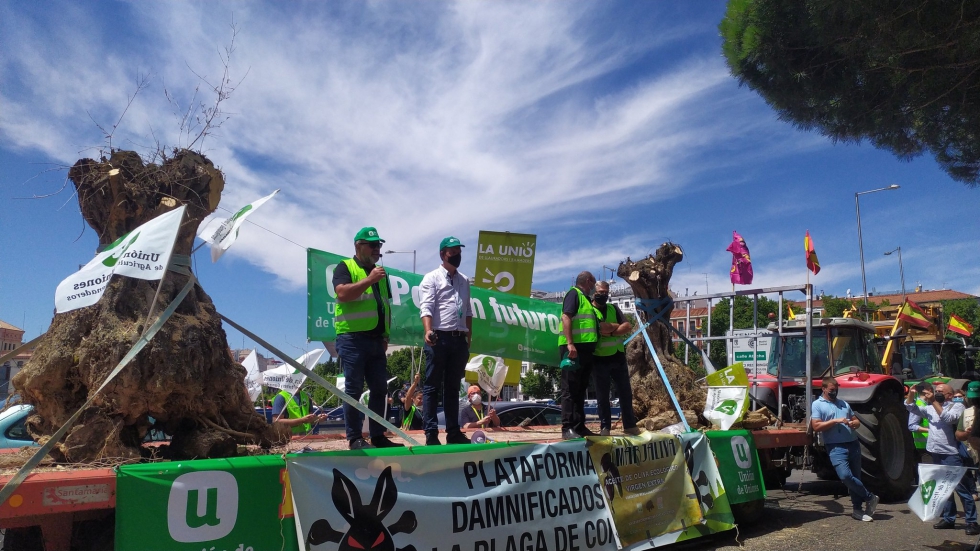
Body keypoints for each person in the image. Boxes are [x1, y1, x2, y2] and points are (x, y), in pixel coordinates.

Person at [333, 227, 403, 450]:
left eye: (379, 245)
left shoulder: (382, 274)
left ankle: (378, 435)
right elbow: (342, 294)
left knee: (380, 389)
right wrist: (369, 279)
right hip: (352, 338)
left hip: (376, 340)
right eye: (372, 245)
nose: (377, 249)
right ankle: (354, 438)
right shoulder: (346, 267)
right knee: (353, 389)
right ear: (358, 246)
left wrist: (386, 336)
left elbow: (385, 306)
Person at [418, 236, 473, 446]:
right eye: (453, 252)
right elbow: (426, 307)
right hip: (438, 337)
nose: (457, 256)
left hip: (458, 338)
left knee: (452, 387)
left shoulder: (464, 280)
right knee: (432, 386)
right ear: (443, 255)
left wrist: (469, 337)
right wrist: (428, 330)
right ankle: (431, 433)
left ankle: (453, 432)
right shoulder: (431, 278)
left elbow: (468, 310)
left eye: (459, 252)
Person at [906, 382, 978, 534]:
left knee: (961, 488)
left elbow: (947, 418)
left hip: (952, 453)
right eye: (935, 391)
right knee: (944, 489)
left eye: (940, 392)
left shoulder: (957, 407)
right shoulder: (930, 407)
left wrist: (933, 401)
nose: (936, 393)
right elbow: (912, 408)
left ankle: (971, 522)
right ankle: (949, 518)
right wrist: (912, 394)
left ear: (949, 395)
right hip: (935, 452)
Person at [811, 376, 879, 522]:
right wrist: (835, 421)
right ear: (823, 389)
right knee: (845, 476)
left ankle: (857, 510)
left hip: (853, 444)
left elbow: (856, 420)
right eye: (831, 391)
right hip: (836, 447)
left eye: (836, 390)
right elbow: (816, 426)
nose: (834, 393)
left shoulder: (843, 404)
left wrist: (855, 424)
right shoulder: (817, 405)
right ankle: (870, 497)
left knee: (856, 476)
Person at [591, 280, 641, 437]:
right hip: (599, 358)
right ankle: (605, 427)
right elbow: (598, 329)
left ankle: (630, 425)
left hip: (618, 356)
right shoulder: (589, 311)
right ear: (593, 293)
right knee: (602, 395)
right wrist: (614, 327)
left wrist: (611, 329)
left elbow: (626, 326)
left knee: (625, 392)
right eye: (600, 293)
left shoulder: (613, 308)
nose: (603, 296)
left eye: (606, 293)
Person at [558, 271, 601, 440]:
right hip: (573, 349)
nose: (594, 288)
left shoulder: (587, 301)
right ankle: (567, 427)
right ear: (588, 281)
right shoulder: (573, 294)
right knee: (569, 389)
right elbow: (566, 317)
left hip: (585, 351)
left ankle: (579, 426)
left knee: (580, 389)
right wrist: (570, 343)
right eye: (593, 284)